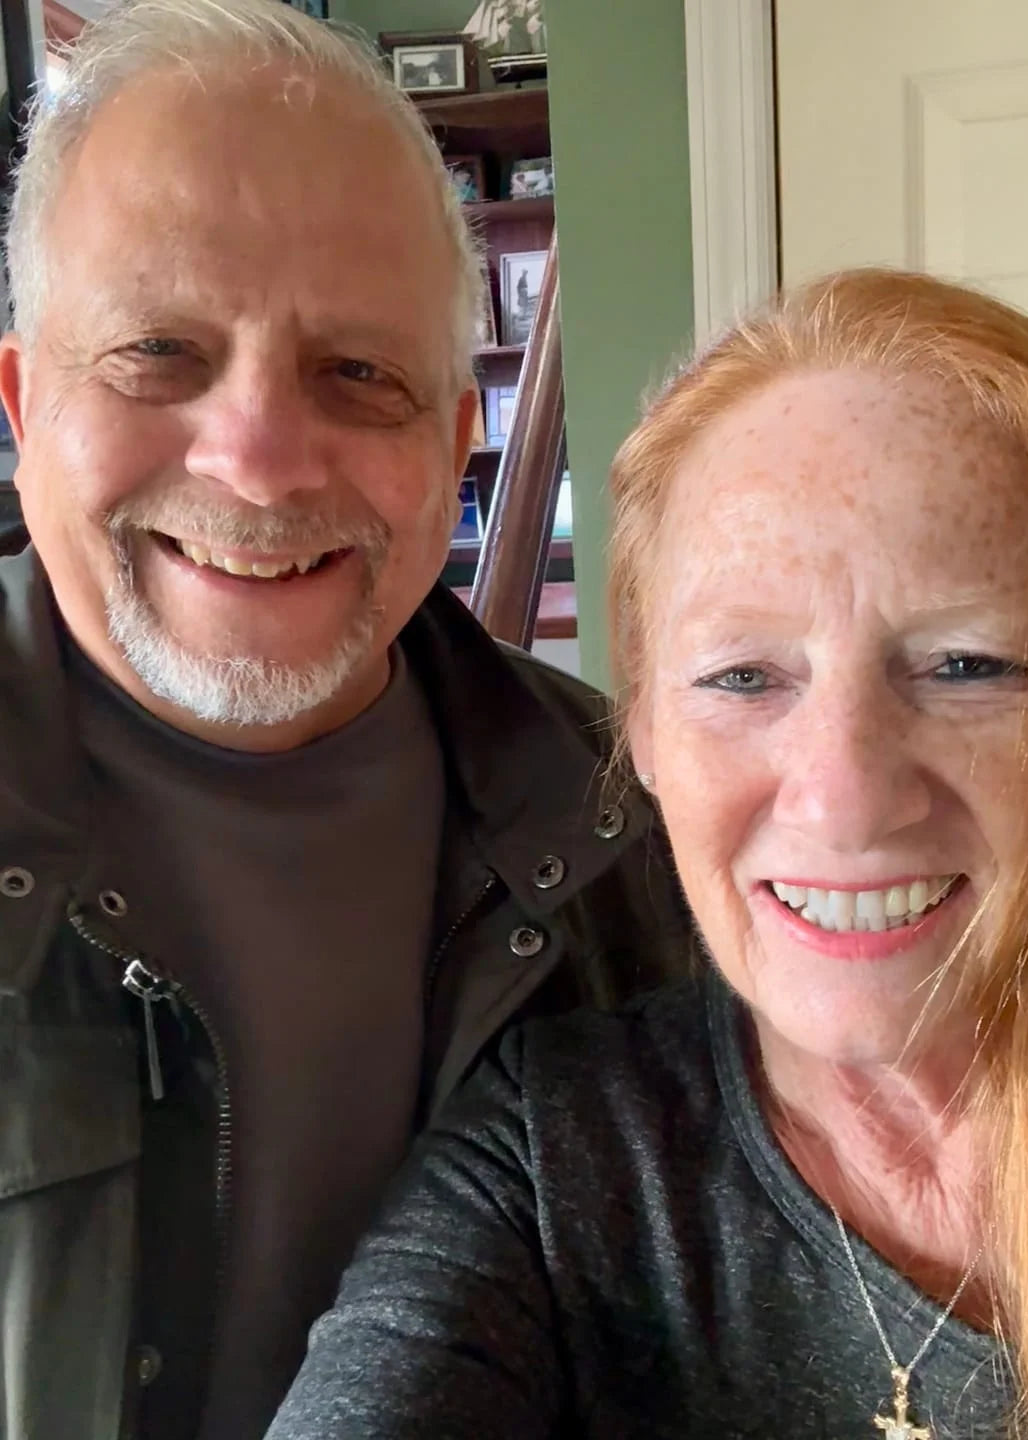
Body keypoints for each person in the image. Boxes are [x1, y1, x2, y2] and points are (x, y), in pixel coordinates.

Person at [0, 3, 688, 1437]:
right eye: (159, 351)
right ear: (22, 401)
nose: (258, 461)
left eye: (359, 373)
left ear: (456, 438)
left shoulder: (646, 831)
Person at [268, 269, 1028, 1440]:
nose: (844, 801)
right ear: (643, 729)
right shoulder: (555, 1167)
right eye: (743, 677)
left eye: (968, 666)